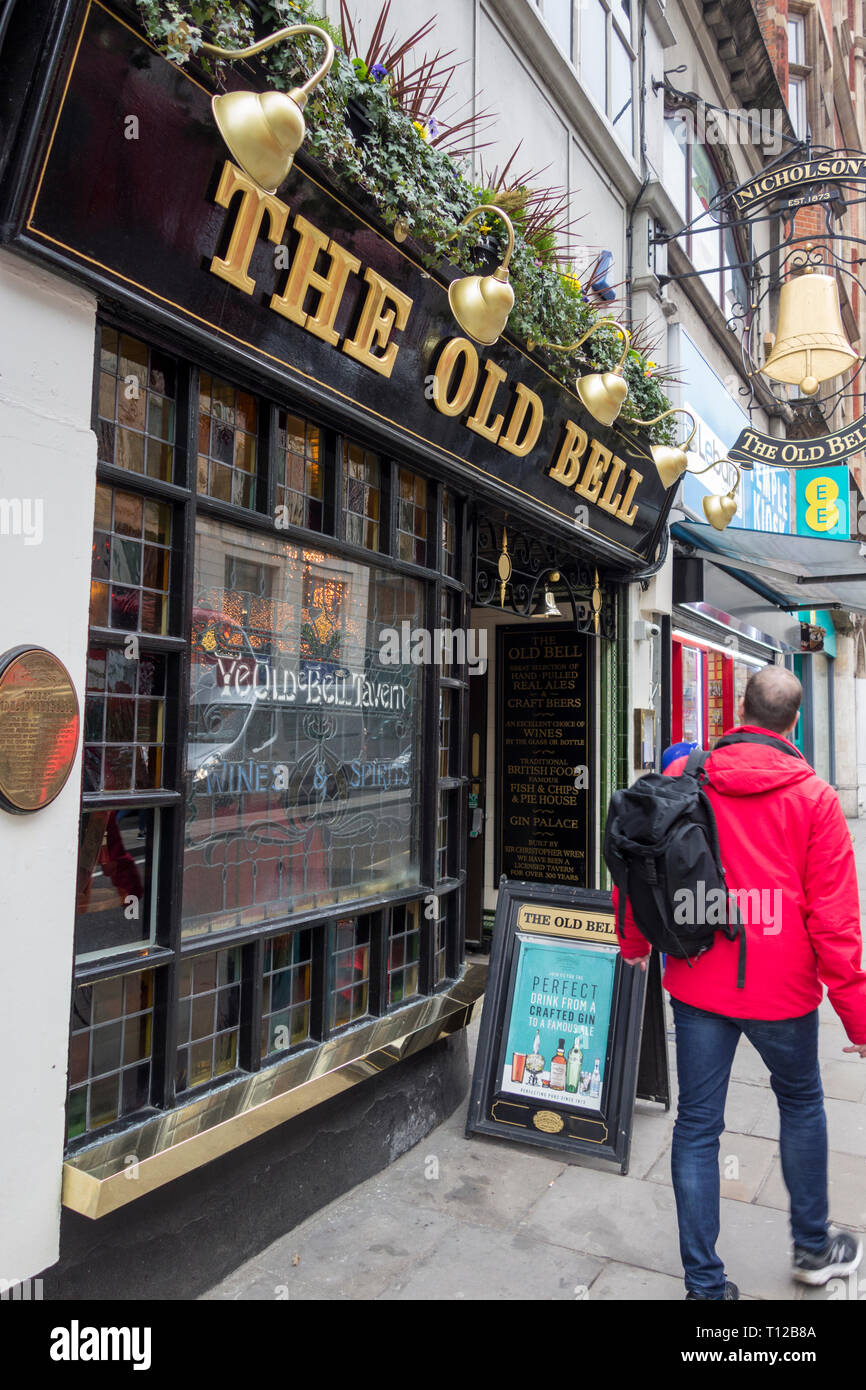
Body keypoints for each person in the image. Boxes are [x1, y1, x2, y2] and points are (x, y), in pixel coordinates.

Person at [615, 666, 866, 1299]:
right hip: (784, 994)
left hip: (699, 983)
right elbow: (835, 923)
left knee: (698, 1128)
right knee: (801, 1103)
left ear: (740, 710)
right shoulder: (815, 799)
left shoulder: (686, 777)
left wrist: (635, 943)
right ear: (794, 723)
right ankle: (813, 1247)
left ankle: (705, 1287)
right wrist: (858, 1019)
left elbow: (640, 865)